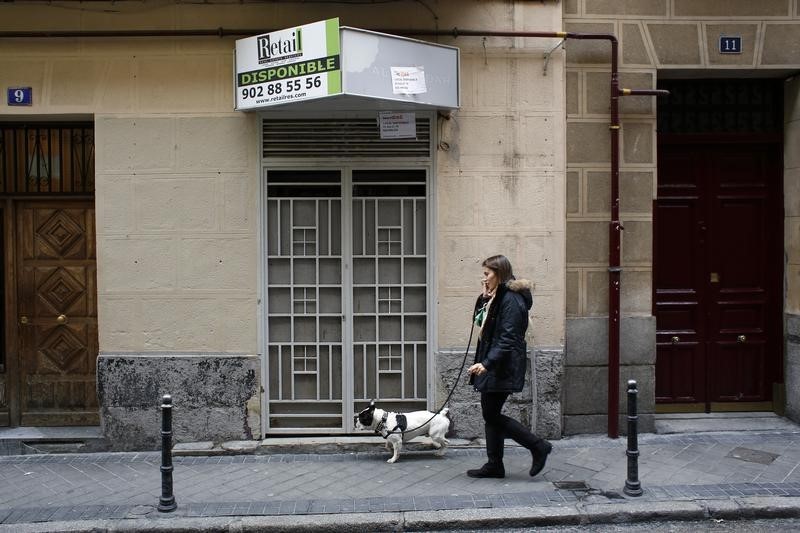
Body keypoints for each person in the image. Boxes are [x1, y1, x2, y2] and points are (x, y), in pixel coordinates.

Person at [465, 254, 552, 479]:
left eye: (487, 274)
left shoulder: (511, 300)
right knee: (490, 413)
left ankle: (538, 446)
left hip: (502, 365)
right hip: (495, 363)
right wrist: (484, 299)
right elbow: (479, 322)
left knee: (492, 414)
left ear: (500, 273)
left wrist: (487, 363)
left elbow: (508, 338)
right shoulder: (497, 297)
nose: (484, 278)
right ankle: (495, 465)